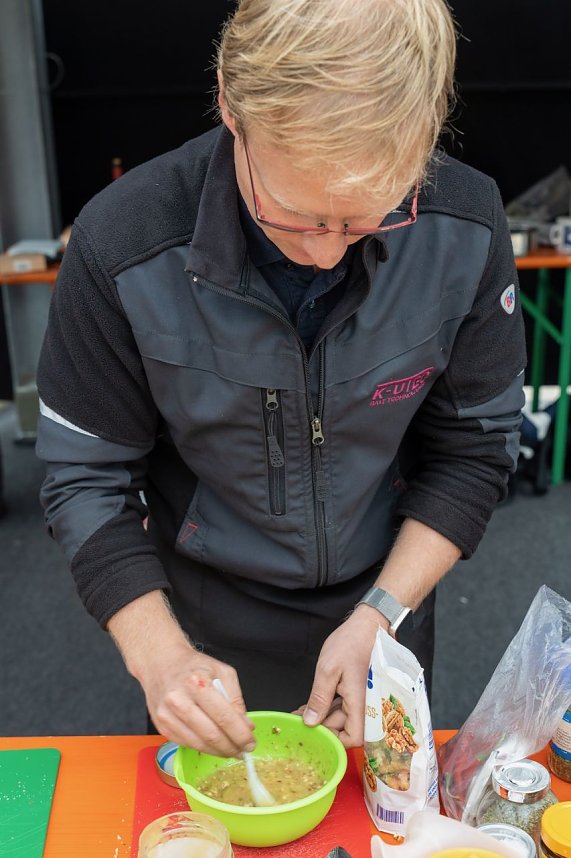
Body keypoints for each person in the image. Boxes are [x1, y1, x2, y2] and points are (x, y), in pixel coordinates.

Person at [36, 0, 526, 758]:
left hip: (388, 602)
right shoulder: (122, 243)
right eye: (294, 216)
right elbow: (83, 477)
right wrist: (158, 657)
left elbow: (473, 449)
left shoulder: (464, 224)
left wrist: (381, 614)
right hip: (201, 622)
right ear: (230, 105)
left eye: (366, 220)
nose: (327, 255)